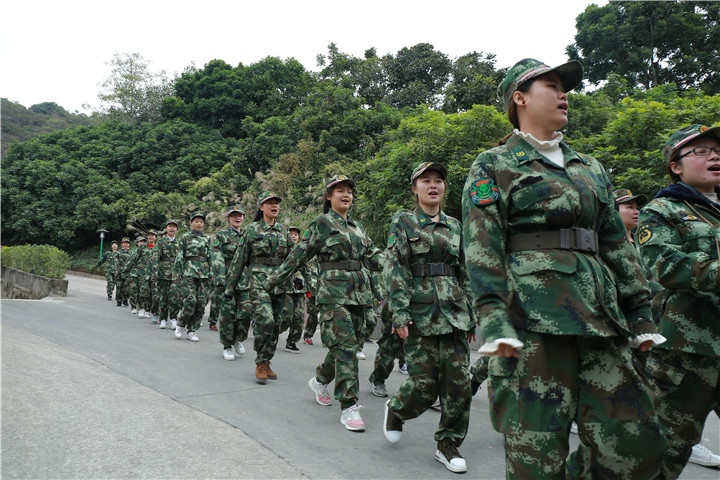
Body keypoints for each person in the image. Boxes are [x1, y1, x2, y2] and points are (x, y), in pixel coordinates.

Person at [461, 58, 667, 479]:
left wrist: (639, 311)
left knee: (635, 446)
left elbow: (615, 242)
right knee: (535, 457)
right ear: (520, 98)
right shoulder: (495, 163)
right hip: (532, 325)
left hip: (602, 322)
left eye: (564, 87)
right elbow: (483, 244)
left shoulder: (589, 166)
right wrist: (494, 318)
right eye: (552, 86)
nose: (564, 94)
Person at [266, 175, 382, 432]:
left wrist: (394, 264)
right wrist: (273, 280)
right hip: (333, 294)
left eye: (349, 191)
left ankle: (320, 380)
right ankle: (349, 406)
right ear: (329, 197)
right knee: (347, 349)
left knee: (348, 345)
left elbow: (372, 256)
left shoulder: (357, 227)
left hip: (359, 295)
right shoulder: (321, 223)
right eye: (340, 191)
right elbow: (299, 255)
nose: (346, 195)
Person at [382, 162, 476, 473]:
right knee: (424, 385)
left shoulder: (455, 226)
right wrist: (399, 313)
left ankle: (448, 443)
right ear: (415, 188)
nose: (433, 185)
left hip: (454, 314)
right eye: (426, 181)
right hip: (420, 313)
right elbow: (396, 268)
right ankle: (397, 409)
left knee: (459, 385)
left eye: (438, 180)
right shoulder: (404, 221)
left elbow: (463, 272)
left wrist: (471, 314)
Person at [637, 124, 720, 477]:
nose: (714, 156)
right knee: (663, 453)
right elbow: (663, 264)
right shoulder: (663, 210)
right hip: (686, 355)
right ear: (676, 165)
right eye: (701, 151)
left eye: (717, 150)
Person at [224, 192, 293, 382]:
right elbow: (239, 260)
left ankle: (267, 360)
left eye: (276, 203)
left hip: (279, 283)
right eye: (269, 203)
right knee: (265, 320)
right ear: (261, 207)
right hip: (259, 282)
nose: (274, 206)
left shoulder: (284, 231)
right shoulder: (252, 230)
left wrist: (300, 279)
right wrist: (230, 288)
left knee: (276, 324)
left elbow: (293, 258)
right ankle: (261, 362)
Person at [173, 212, 223, 342]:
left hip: (204, 275)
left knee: (201, 304)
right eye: (196, 221)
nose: (199, 224)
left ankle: (192, 330)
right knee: (191, 300)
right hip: (189, 273)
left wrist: (213, 273)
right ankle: (181, 325)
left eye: (201, 222)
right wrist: (176, 275)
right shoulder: (185, 237)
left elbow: (211, 256)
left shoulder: (207, 238)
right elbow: (180, 256)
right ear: (191, 223)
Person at [215, 206, 251, 361]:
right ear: (228, 219)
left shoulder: (249, 235)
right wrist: (220, 278)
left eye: (240, 215)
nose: (237, 218)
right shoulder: (221, 235)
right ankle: (227, 346)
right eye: (234, 215)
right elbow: (217, 257)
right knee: (227, 315)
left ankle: (237, 338)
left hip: (245, 280)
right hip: (227, 280)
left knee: (245, 314)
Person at [280, 226, 307, 354]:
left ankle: (292, 342)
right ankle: (271, 333)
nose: (294, 236)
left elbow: (307, 270)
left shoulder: (303, 251)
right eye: (291, 234)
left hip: (299, 289)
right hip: (285, 287)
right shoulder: (282, 250)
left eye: (296, 234)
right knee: (286, 316)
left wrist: (311, 288)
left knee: (299, 316)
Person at [153, 220, 181, 330]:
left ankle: (173, 319)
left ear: (176, 229)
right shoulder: (161, 242)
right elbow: (156, 257)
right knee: (163, 297)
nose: (172, 228)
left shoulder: (180, 242)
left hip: (176, 274)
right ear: (166, 228)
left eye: (174, 227)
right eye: (170, 226)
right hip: (163, 273)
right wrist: (155, 271)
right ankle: (163, 319)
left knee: (175, 297)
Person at [124, 236, 147, 315]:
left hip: (144, 274)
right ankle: (133, 306)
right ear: (137, 243)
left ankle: (141, 307)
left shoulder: (147, 252)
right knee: (133, 291)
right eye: (140, 242)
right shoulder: (133, 252)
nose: (142, 243)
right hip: (134, 274)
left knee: (142, 291)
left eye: (143, 242)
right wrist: (125, 271)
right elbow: (129, 262)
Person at [302, 258, 319, 345]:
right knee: (313, 313)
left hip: (326, 288)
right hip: (312, 290)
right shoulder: (309, 259)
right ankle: (308, 334)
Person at [114, 238, 132, 307]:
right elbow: (115, 262)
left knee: (126, 288)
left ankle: (125, 300)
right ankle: (119, 300)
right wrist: (116, 270)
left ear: (129, 244)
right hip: (119, 272)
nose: (126, 244)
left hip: (128, 273)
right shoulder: (118, 253)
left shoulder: (131, 253)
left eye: (127, 243)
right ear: (122, 244)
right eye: (124, 243)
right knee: (119, 287)